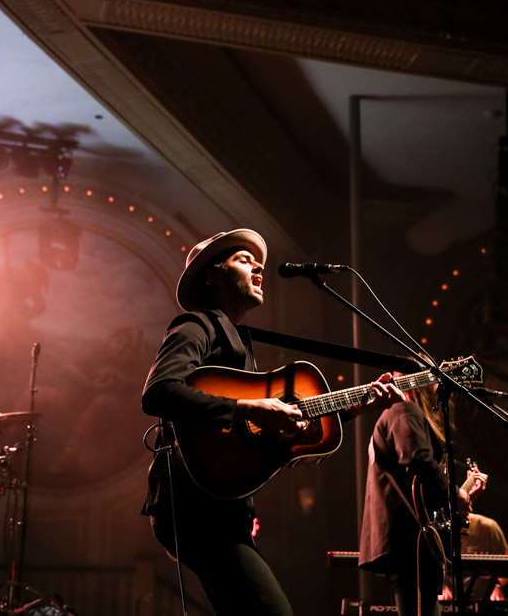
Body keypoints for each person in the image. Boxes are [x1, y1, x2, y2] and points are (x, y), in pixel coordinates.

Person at [140, 228, 397, 615]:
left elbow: (266, 434)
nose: (258, 265)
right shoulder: (195, 326)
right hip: (196, 506)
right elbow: (158, 393)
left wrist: (351, 407)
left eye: (256, 260)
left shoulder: (243, 349)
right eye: (242, 260)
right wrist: (249, 409)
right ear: (211, 274)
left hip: (225, 509)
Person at [359, 377, 484, 616]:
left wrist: (462, 496)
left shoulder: (397, 415)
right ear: (424, 386)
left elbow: (416, 487)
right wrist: (454, 493)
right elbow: (417, 459)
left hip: (408, 538)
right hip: (410, 539)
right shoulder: (404, 409)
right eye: (436, 383)